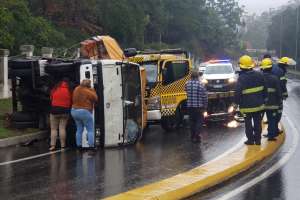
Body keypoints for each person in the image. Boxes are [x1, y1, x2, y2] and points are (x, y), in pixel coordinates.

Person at [235, 55, 266, 145]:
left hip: (246, 107)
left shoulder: (241, 78)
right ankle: (258, 140)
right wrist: (264, 100)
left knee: (248, 124)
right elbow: (265, 89)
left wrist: (236, 103)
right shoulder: (260, 75)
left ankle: (250, 140)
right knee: (257, 122)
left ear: (242, 66)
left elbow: (238, 92)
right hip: (258, 105)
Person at [71, 79, 98, 148]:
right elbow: (95, 99)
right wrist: (92, 90)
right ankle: (91, 146)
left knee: (79, 129)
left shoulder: (76, 89)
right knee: (90, 130)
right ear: (89, 85)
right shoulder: (88, 91)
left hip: (74, 111)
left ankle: (79, 146)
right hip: (84, 111)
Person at [260, 58, 282, 141]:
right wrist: (280, 101)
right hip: (273, 104)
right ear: (271, 67)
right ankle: (271, 136)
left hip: (261, 104)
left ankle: (256, 136)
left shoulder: (259, 77)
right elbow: (279, 91)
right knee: (271, 120)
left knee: (258, 120)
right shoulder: (275, 78)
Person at [49, 78, 72, 151]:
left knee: (53, 129)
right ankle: (63, 146)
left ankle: (53, 146)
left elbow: (51, 98)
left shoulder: (55, 89)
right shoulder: (69, 90)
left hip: (54, 110)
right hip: (65, 111)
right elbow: (71, 100)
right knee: (62, 128)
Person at [185, 70, 208, 143]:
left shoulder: (187, 84)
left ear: (191, 76)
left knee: (192, 122)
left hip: (190, 107)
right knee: (199, 121)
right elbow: (204, 97)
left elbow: (185, 91)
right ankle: (197, 136)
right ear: (197, 76)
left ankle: (192, 137)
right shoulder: (201, 84)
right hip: (199, 107)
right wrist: (205, 106)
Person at [272, 57, 289, 135]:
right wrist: (285, 94)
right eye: (286, 65)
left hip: (270, 95)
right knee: (278, 112)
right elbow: (282, 84)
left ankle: (271, 130)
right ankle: (275, 130)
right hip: (278, 95)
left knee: (271, 114)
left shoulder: (274, 67)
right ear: (283, 65)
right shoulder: (281, 71)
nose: (287, 67)